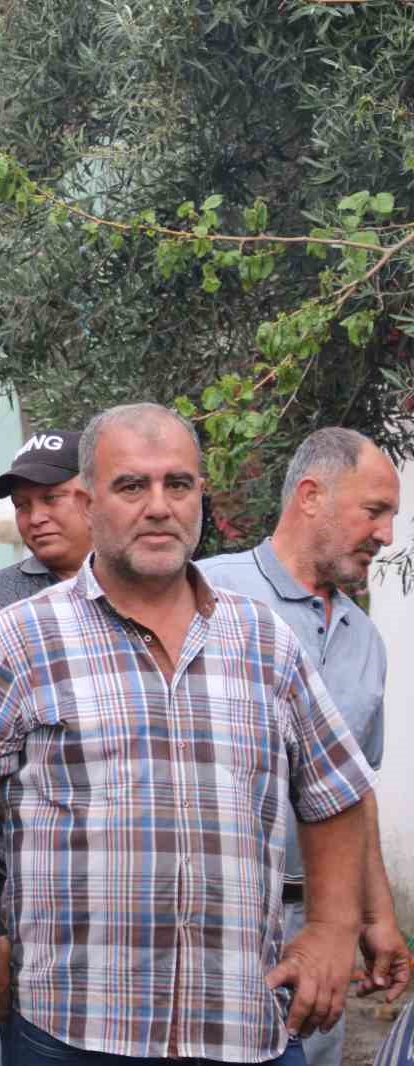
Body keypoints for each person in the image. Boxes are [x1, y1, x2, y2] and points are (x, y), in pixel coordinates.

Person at [0, 403, 376, 1066]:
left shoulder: (264, 642)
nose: (159, 506)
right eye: (132, 486)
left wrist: (333, 930)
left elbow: (335, 791)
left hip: (241, 1024)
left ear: (200, 498)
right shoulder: (17, 639)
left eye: (178, 484)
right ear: (88, 502)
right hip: (71, 1027)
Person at [200, 427, 409, 1065]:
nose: (387, 535)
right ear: (311, 496)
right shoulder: (206, 596)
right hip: (212, 923)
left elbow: (353, 795)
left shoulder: (364, 638)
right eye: (374, 511)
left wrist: (374, 917)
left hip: (322, 926)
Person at [0, 430, 90, 630]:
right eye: (21, 505)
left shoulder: (140, 581)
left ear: (92, 496)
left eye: (50, 498)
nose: (35, 518)